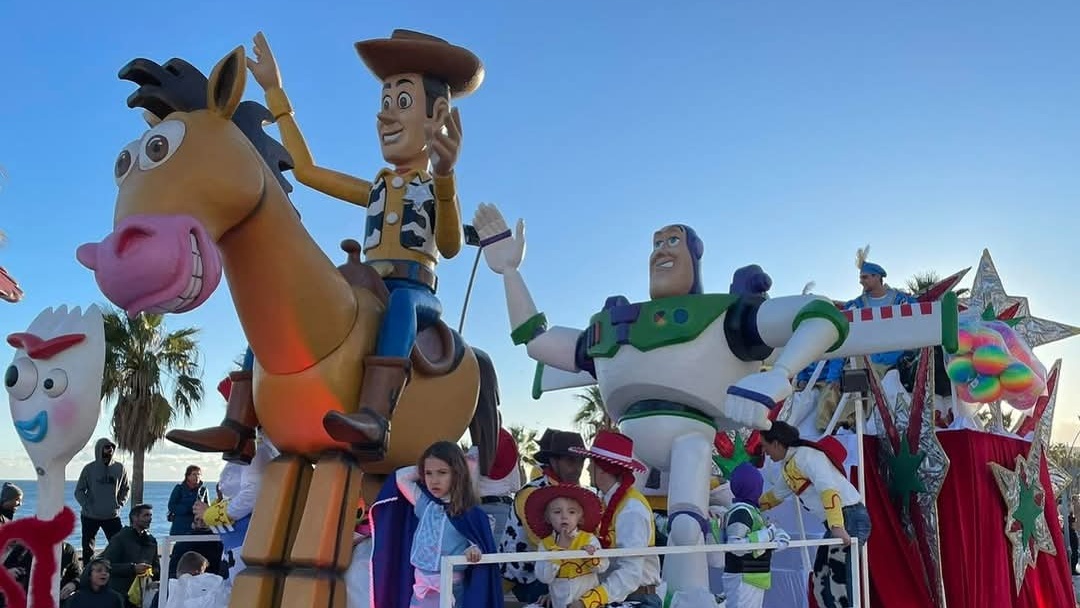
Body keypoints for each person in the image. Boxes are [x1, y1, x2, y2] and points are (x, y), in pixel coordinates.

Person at [245, 29, 479, 460]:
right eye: (385, 102)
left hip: (414, 291)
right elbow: (307, 170)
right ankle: (240, 419)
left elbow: (449, 246)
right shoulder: (375, 187)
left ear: (439, 114)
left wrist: (446, 179)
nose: (386, 117)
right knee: (285, 307)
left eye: (402, 102)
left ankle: (375, 414)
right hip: (367, 283)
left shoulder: (434, 188)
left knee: (403, 306)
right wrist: (274, 91)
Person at [370, 441, 503, 608]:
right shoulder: (424, 505)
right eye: (428, 473)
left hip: (450, 587)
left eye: (442, 472)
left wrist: (474, 550)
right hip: (420, 587)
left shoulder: (470, 514)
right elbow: (400, 477)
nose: (434, 480)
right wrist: (423, 467)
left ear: (457, 473)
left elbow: (478, 545)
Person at [757, 421, 869, 608]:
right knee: (821, 580)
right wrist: (750, 505)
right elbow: (775, 496)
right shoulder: (790, 464)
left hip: (848, 518)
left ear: (776, 443)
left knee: (838, 583)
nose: (764, 452)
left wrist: (838, 528)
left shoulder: (806, 456)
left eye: (765, 446)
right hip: (839, 521)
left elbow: (828, 489)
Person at [568, 430, 662, 608]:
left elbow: (630, 574)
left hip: (638, 600)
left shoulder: (631, 510)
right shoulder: (607, 503)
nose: (587, 469)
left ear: (603, 470)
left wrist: (588, 601)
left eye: (592, 464)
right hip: (619, 597)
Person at [502, 429, 587, 605]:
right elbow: (545, 541)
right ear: (553, 461)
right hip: (527, 576)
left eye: (581, 461)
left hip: (555, 569)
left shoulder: (576, 493)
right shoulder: (532, 494)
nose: (577, 468)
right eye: (571, 461)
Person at [525, 484, 607, 608]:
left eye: (572, 512)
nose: (564, 516)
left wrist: (591, 557)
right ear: (547, 518)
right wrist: (559, 549)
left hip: (587, 604)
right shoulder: (545, 544)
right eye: (557, 512)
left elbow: (603, 567)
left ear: (580, 518)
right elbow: (544, 578)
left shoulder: (588, 539)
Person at [720, 464, 789, 608]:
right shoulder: (741, 512)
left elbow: (770, 533)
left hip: (754, 577)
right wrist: (768, 534)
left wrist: (778, 538)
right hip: (742, 577)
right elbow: (735, 546)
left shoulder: (753, 512)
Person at [844, 248, 918, 376]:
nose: (861, 281)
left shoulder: (901, 299)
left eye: (865, 277)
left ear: (877, 277)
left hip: (899, 366)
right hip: (869, 367)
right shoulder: (856, 305)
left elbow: (917, 321)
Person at [74, 438, 130, 565]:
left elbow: (126, 489)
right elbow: (79, 491)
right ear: (99, 449)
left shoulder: (119, 468)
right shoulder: (89, 469)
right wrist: (87, 505)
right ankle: (87, 573)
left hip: (111, 516)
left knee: (118, 545)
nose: (109, 450)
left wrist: (119, 504)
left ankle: (117, 569)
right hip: (90, 516)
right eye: (106, 447)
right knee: (88, 549)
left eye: (111, 448)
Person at [96, 503, 159, 605]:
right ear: (135, 518)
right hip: (121, 594)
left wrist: (154, 578)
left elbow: (156, 566)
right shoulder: (120, 538)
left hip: (143, 593)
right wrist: (133, 568)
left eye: (151, 515)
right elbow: (107, 565)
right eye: (146, 515)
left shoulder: (151, 541)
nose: (150, 519)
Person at [470, 427, 523, 544]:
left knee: (482, 553)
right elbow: (516, 486)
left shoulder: (476, 448)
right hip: (505, 508)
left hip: (481, 508)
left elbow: (470, 485)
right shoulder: (509, 448)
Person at [167, 466, 220, 579]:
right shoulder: (179, 489)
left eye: (199, 474)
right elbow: (172, 506)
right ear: (188, 476)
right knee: (181, 551)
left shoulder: (203, 490)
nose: (197, 477)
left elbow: (207, 506)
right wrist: (187, 508)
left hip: (198, 526)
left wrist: (204, 514)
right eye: (194, 474)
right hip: (183, 525)